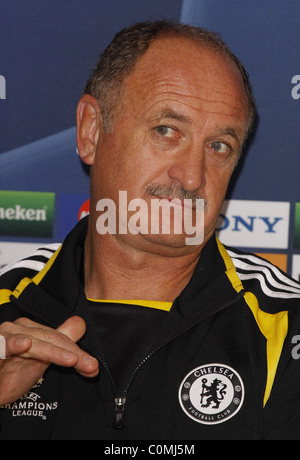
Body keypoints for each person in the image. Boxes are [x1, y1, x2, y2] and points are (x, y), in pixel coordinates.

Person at [0, 20, 300, 441]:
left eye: (218, 146)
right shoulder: (6, 308)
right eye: (166, 131)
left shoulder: (285, 326)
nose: (193, 177)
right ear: (90, 131)